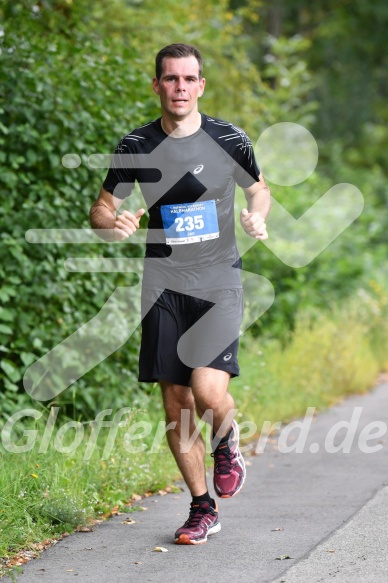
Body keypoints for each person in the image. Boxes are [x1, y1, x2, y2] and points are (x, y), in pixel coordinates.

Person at [90, 43, 271, 545]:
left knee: (208, 392)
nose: (180, 89)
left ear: (201, 85)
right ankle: (201, 508)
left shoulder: (229, 138)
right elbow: (101, 210)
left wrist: (258, 213)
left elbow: (259, 187)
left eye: (189, 79)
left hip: (218, 282)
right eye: (171, 80)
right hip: (163, 287)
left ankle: (227, 440)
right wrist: (115, 223)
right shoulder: (135, 145)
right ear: (157, 86)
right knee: (175, 402)